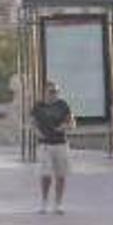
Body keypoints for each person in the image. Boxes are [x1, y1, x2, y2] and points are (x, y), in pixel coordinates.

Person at [31, 81, 75, 215]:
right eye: (51, 91)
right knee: (45, 174)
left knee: (61, 175)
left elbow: (72, 122)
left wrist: (65, 126)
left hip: (60, 143)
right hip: (45, 144)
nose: (54, 94)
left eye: (56, 91)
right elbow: (32, 122)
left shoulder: (63, 105)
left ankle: (58, 204)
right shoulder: (38, 106)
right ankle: (44, 202)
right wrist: (36, 131)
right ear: (44, 92)